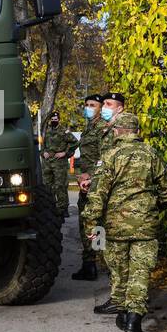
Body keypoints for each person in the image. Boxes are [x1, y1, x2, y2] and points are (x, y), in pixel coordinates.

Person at [81, 112, 167, 332]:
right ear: (136, 131)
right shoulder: (151, 154)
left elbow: (97, 194)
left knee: (119, 272)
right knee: (140, 273)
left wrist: (91, 225)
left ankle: (122, 312)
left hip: (115, 227)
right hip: (145, 226)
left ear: (118, 131)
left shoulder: (109, 156)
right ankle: (133, 318)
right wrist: (153, 208)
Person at [71, 93, 106, 279]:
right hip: (86, 183)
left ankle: (98, 262)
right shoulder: (88, 129)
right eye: (87, 104)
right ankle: (89, 263)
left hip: (97, 183)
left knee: (96, 223)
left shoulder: (103, 128)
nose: (89, 107)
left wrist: (91, 176)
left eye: (93, 104)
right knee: (86, 223)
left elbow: (105, 158)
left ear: (101, 108)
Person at [39, 111, 77, 218]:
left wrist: (65, 153)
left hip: (59, 163)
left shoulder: (64, 131)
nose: (54, 121)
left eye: (56, 119)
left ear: (59, 120)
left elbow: (75, 142)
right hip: (47, 163)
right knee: (47, 186)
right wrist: (43, 152)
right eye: (52, 119)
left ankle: (63, 208)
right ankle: (49, 207)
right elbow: (43, 146)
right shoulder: (47, 131)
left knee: (60, 186)